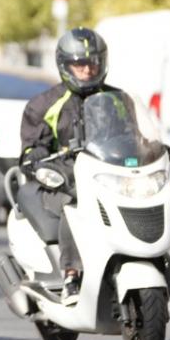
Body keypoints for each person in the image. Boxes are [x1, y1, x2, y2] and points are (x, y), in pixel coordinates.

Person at [19, 27, 112, 307]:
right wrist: (38, 159)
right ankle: (72, 274)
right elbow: (31, 149)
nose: (87, 70)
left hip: (107, 176)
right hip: (64, 180)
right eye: (79, 64)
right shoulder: (44, 104)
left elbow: (136, 135)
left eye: (92, 63)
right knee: (76, 206)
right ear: (65, 65)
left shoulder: (116, 101)